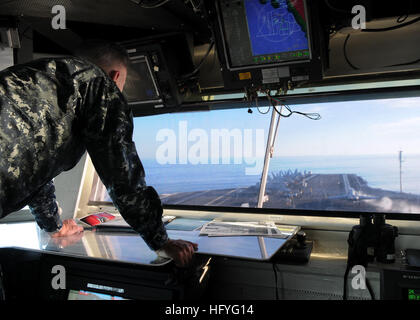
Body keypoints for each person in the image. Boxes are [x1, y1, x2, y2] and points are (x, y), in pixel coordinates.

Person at [0, 40, 197, 267]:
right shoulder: (99, 84)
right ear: (115, 77)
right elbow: (121, 172)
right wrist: (161, 241)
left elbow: (35, 170)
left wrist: (53, 225)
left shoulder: (36, 75)